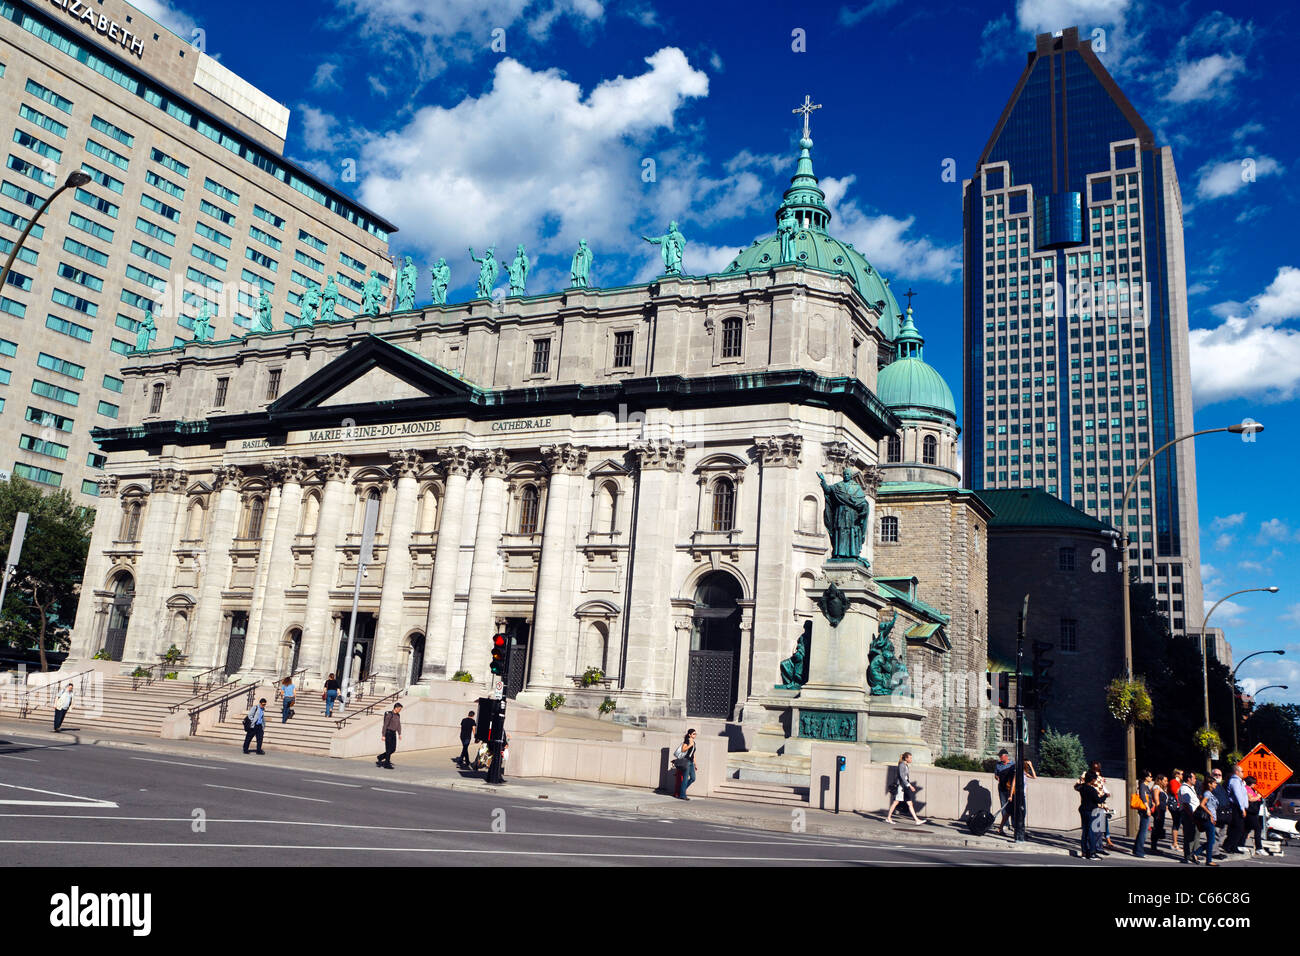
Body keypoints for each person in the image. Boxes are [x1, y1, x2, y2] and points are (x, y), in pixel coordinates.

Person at [885, 752, 927, 825]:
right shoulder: (902, 765)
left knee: (910, 803)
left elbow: (905, 777)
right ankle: (888, 818)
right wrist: (910, 786)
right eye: (910, 758)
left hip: (905, 787)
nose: (911, 759)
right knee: (896, 802)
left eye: (911, 758)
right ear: (906, 758)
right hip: (901, 787)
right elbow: (902, 777)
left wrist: (908, 785)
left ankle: (917, 820)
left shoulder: (905, 765)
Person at [1076, 769, 1106, 860]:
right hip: (1091, 810)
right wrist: (1105, 795)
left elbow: (1076, 786)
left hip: (1083, 809)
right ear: (1092, 780)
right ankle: (1092, 853)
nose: (1095, 781)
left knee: (1084, 831)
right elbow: (1098, 800)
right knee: (1092, 832)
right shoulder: (1091, 789)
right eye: (1095, 779)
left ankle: (1084, 852)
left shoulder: (1081, 787)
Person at [1222, 763, 1249, 854]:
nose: (1243, 773)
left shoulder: (1240, 781)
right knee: (1238, 828)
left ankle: (1234, 846)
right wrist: (1242, 808)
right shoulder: (1234, 781)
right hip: (1236, 807)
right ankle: (1227, 845)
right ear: (1237, 772)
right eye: (1242, 771)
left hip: (1239, 807)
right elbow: (1238, 796)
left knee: (1238, 828)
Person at [1180, 771, 1200, 863]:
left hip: (1195, 814)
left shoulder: (1191, 788)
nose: (1195, 780)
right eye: (1194, 778)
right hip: (1188, 814)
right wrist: (1191, 816)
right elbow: (1186, 804)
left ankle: (1194, 854)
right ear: (1189, 778)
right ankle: (1188, 855)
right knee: (1189, 835)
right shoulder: (1184, 789)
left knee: (1196, 835)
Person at [1199, 777, 1220, 866]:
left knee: (1211, 841)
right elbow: (1202, 804)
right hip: (1208, 819)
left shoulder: (1210, 793)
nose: (1216, 784)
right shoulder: (1207, 793)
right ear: (1209, 784)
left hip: (1212, 819)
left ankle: (1196, 854)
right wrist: (1211, 815)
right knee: (1211, 841)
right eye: (1214, 783)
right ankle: (1208, 860)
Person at [1132, 770, 1153, 858]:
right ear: (1146, 777)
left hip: (1146, 810)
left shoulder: (1146, 786)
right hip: (1144, 810)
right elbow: (1143, 797)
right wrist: (1148, 808)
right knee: (1143, 832)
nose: (1151, 778)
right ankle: (1139, 851)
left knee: (1143, 830)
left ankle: (1136, 849)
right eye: (1150, 776)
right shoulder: (1143, 786)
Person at [994, 749, 1015, 834]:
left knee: (1013, 807)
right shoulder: (998, 765)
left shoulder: (1013, 764)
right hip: (1002, 788)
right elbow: (996, 774)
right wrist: (997, 777)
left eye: (1000, 756)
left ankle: (1014, 825)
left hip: (1010, 789)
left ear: (1005, 756)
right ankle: (1006, 824)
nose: (999, 757)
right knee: (1003, 806)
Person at [673, 729, 698, 800]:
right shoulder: (687, 741)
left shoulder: (694, 742)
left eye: (695, 734)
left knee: (693, 778)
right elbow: (683, 750)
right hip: (686, 761)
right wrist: (690, 745)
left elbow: (693, 754)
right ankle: (683, 795)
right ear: (689, 734)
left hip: (691, 762)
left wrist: (695, 763)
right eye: (693, 734)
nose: (695, 735)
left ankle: (681, 791)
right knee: (685, 778)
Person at [376, 702, 402, 769]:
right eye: (399, 709)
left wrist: (399, 733)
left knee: (393, 749)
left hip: (393, 733)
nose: (400, 710)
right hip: (388, 733)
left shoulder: (398, 715)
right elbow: (385, 725)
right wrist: (383, 735)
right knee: (388, 749)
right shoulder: (390, 715)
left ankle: (380, 757)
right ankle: (386, 764)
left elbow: (398, 725)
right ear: (395, 708)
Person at [1244, 775, 1264, 851]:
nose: (1255, 784)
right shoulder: (1247, 789)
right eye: (1254, 783)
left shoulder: (1251, 789)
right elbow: (1251, 799)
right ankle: (1259, 847)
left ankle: (1241, 843)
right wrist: (1259, 796)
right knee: (1258, 828)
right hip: (1250, 812)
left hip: (1254, 812)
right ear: (1251, 783)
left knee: (1247, 828)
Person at [1150, 774, 1168, 853]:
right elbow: (1157, 800)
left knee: (1158, 827)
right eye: (1165, 781)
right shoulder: (1156, 788)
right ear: (1160, 781)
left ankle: (1154, 847)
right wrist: (1158, 812)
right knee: (1157, 827)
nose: (1166, 782)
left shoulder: (1161, 788)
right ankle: (1153, 847)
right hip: (1159, 810)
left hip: (1162, 810)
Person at [1168, 767, 1183, 853]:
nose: (1182, 776)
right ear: (1176, 774)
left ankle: (1175, 843)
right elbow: (1175, 791)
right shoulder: (1173, 782)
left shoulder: (1179, 782)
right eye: (1181, 774)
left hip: (1178, 804)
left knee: (1177, 823)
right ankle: (1175, 843)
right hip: (1175, 805)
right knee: (1176, 823)